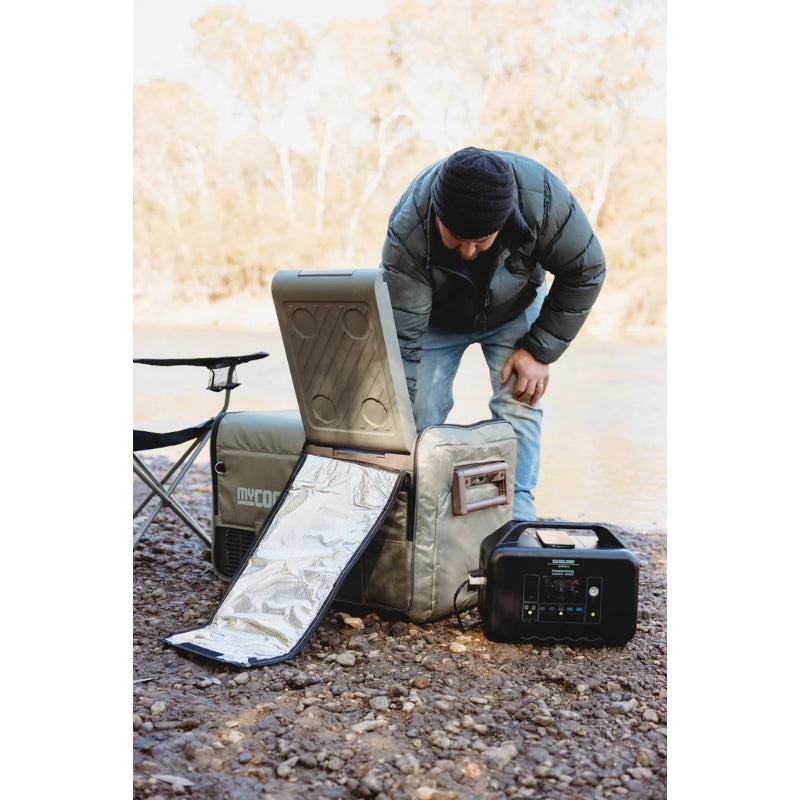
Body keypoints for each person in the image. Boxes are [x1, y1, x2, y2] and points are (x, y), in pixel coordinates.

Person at [380, 146, 605, 519]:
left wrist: (539, 350)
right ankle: (417, 511)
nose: (467, 252)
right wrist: (395, 408)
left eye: (481, 242)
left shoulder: (545, 203)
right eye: (455, 239)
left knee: (521, 399)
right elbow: (403, 339)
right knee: (418, 408)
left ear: (504, 222)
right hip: (433, 316)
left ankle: (517, 516)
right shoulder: (410, 227)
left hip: (514, 305)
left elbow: (587, 270)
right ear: (437, 215)